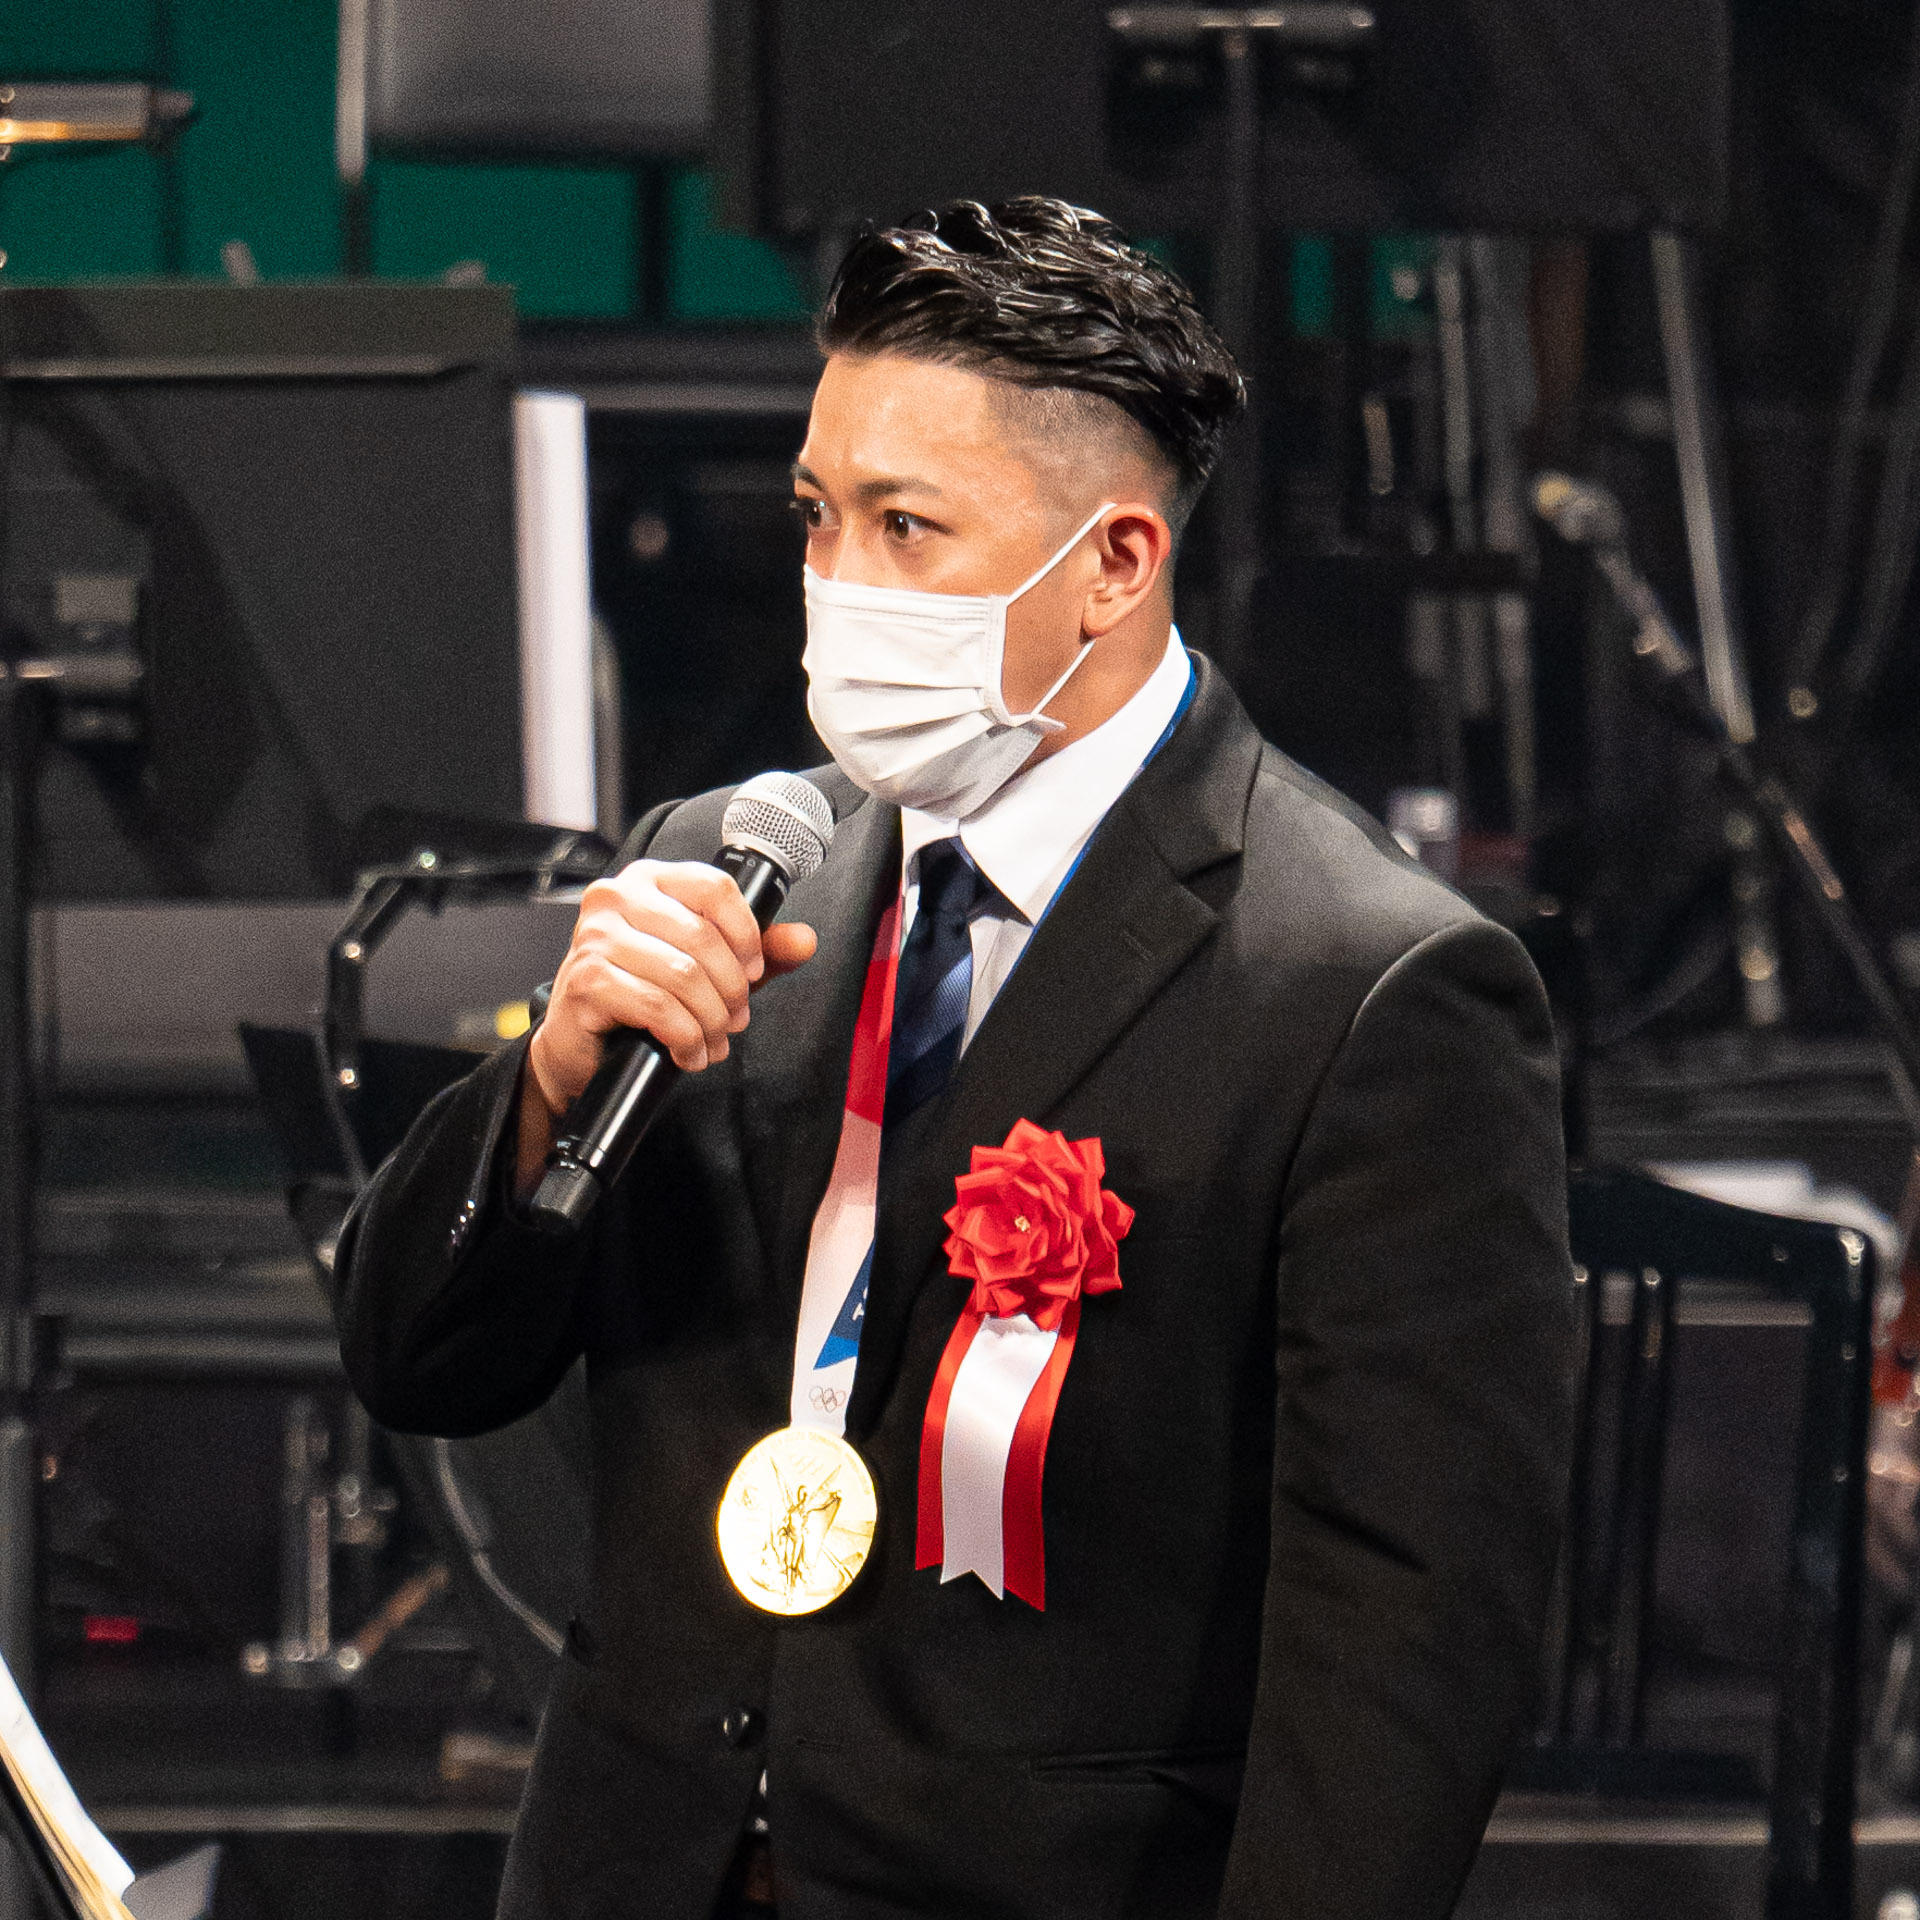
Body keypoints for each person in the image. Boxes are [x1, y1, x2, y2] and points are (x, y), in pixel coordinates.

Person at [333, 197, 1575, 1920]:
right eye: (817, 517)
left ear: (1116, 563)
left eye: (907, 526)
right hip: (639, 1864)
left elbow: (1407, 1640)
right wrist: (547, 1080)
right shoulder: (729, 869)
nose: (840, 584)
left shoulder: (1370, 986)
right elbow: (415, 1361)